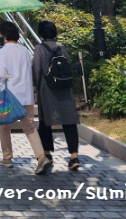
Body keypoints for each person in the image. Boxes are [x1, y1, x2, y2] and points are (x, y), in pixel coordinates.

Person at [0, 21, 53, 173]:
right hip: (26, 95)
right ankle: (41, 157)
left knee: (4, 127)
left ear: (5, 36)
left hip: (9, 96)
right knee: (30, 128)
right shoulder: (25, 50)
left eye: (1, 34)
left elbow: (1, 74)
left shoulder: (3, 52)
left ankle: (7, 158)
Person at [32, 20, 81, 169]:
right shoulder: (62, 47)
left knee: (45, 121)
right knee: (69, 121)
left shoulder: (39, 49)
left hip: (48, 90)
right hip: (64, 88)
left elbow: (37, 70)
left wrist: (35, 87)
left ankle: (47, 154)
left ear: (40, 33)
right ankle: (74, 157)